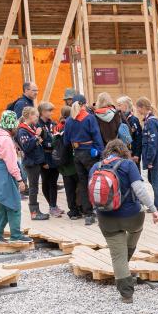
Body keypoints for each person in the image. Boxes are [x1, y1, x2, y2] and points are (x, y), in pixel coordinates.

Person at [88, 139, 158, 303]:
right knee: (136, 230)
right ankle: (124, 263)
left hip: (106, 219)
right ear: (123, 151)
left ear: (107, 151)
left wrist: (97, 213)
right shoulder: (128, 165)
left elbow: (92, 194)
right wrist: (154, 209)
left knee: (117, 257)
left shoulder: (95, 167)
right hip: (132, 217)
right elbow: (140, 190)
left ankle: (126, 295)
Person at [0, 110, 31, 244]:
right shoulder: (6, 139)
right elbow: (11, 163)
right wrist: (20, 180)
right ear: (11, 126)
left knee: (5, 205)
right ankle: (16, 236)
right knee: (14, 205)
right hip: (6, 173)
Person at [64, 94, 104, 225]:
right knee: (95, 181)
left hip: (77, 155)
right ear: (83, 104)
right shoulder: (89, 118)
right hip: (90, 154)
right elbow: (96, 135)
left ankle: (88, 213)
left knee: (83, 183)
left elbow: (66, 140)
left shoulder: (69, 120)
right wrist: (100, 150)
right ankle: (100, 209)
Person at [16, 106, 55, 220]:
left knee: (35, 187)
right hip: (30, 163)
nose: (37, 118)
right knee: (33, 188)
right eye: (36, 116)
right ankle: (34, 212)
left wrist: (38, 139)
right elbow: (27, 147)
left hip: (35, 161)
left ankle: (36, 210)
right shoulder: (22, 130)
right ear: (30, 116)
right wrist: (37, 136)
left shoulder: (30, 128)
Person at [135, 97, 158, 211]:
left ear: (143, 108)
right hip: (154, 156)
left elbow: (152, 144)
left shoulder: (150, 123)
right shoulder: (149, 121)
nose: (137, 111)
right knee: (152, 178)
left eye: (138, 108)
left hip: (154, 157)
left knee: (155, 179)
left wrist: (149, 160)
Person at [35, 101, 63, 217]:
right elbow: (38, 145)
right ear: (42, 112)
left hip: (54, 155)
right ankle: (52, 206)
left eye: (51, 110)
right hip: (44, 156)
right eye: (49, 111)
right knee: (47, 182)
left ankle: (53, 205)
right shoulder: (37, 126)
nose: (51, 113)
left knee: (53, 182)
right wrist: (43, 161)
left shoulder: (53, 123)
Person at [53, 105, 80, 218]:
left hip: (62, 163)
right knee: (78, 186)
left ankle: (72, 210)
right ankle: (79, 208)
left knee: (69, 188)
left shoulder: (57, 127)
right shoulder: (71, 125)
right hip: (72, 162)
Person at [116, 95, 142, 161]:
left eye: (119, 105)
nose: (117, 107)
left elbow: (138, 137)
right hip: (121, 152)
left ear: (126, 106)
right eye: (117, 105)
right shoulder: (117, 119)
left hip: (132, 152)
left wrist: (137, 154)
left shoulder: (133, 120)